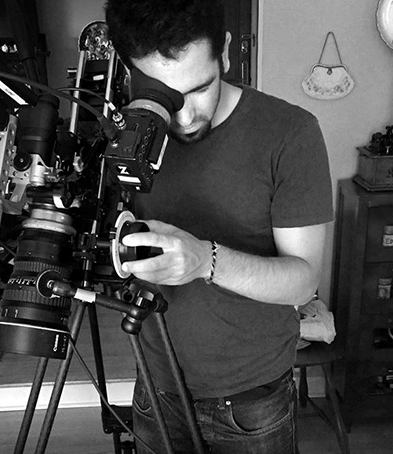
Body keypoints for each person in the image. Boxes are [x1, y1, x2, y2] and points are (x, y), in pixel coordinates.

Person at [105, 1, 334, 453]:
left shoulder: (290, 133)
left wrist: (205, 260)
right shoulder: (123, 137)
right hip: (154, 385)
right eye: (164, 96)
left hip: (251, 399)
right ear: (127, 71)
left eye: (199, 89)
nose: (184, 116)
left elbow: (303, 282)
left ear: (225, 52)